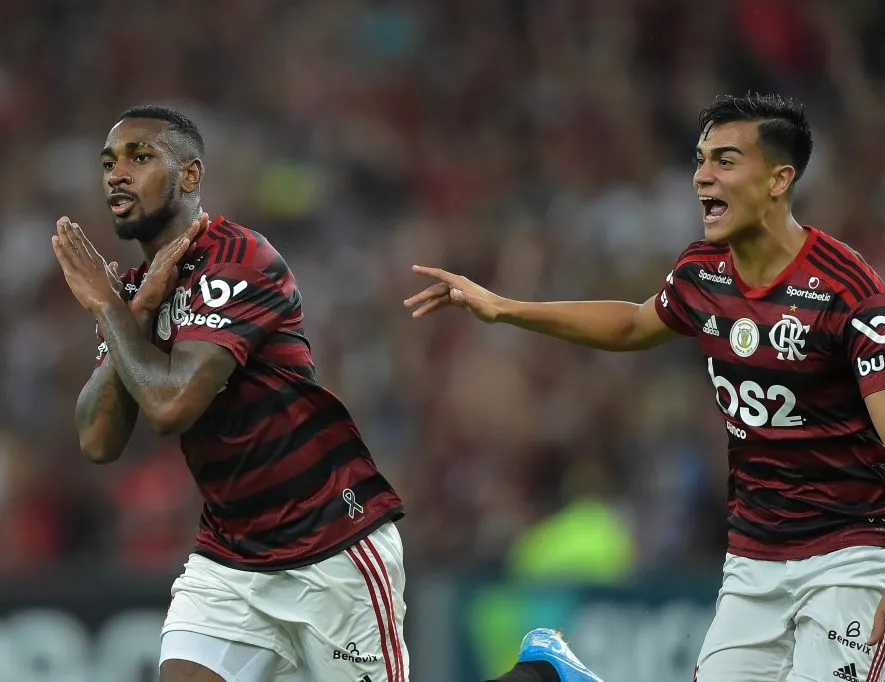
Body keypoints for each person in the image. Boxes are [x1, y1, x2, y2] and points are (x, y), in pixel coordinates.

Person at [404, 93, 885, 681]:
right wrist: (506, 308)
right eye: (699, 160)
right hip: (753, 558)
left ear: (778, 179)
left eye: (724, 160)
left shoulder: (851, 292)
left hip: (847, 557)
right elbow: (634, 322)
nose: (701, 177)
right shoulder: (702, 272)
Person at [52, 105, 602, 682]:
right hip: (231, 555)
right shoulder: (134, 295)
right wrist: (127, 313)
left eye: (140, 157)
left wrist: (110, 310)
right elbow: (97, 439)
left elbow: (170, 405)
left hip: (329, 538)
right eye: (109, 161)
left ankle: (541, 673)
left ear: (190, 175)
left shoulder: (239, 259)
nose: (118, 173)